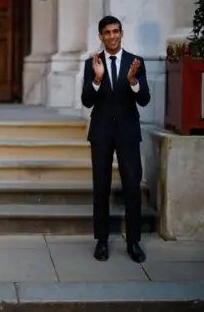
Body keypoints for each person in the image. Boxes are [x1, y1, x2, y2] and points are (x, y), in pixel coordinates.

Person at [81, 15, 150, 263]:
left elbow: (144, 100)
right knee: (101, 186)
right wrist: (97, 79)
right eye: (107, 32)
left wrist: (133, 82)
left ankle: (134, 242)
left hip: (128, 132)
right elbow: (86, 100)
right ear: (101, 36)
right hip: (100, 132)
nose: (112, 36)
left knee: (132, 185)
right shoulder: (93, 63)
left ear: (121, 33)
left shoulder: (136, 62)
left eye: (116, 31)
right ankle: (101, 240)